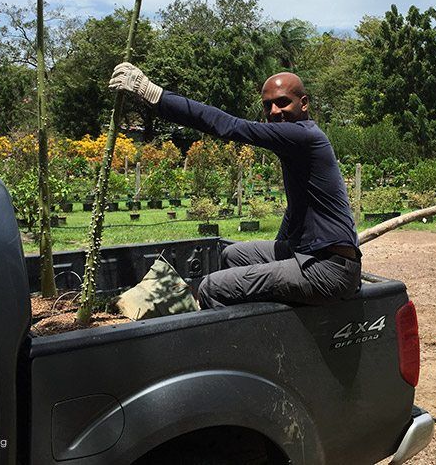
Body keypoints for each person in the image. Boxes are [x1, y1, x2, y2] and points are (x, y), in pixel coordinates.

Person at [109, 62, 362, 309]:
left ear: (304, 103)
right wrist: (272, 265)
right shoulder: (295, 145)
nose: (274, 111)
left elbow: (228, 125)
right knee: (233, 255)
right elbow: (296, 210)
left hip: (328, 270)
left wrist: (153, 93)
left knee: (211, 287)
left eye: (283, 102)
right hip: (306, 253)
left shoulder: (304, 135)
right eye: (267, 105)